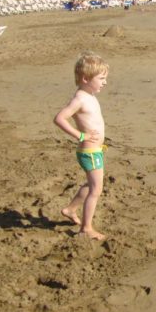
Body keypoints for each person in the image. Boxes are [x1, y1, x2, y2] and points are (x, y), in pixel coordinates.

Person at [54, 52, 110, 240]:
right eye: (101, 78)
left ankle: (70, 209)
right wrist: (80, 135)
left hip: (95, 150)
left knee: (91, 184)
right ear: (86, 78)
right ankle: (86, 228)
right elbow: (60, 118)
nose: (105, 82)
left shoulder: (89, 95)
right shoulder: (80, 99)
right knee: (96, 190)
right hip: (89, 151)